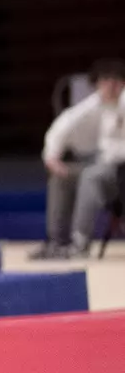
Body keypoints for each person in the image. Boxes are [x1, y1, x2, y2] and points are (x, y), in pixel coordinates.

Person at [33, 58, 125, 260]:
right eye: (106, 80)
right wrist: (51, 157)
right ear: (97, 84)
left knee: (91, 175)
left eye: (116, 80)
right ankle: (57, 241)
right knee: (62, 176)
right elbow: (63, 125)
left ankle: (80, 242)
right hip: (105, 167)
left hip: (120, 171)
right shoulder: (95, 105)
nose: (111, 85)